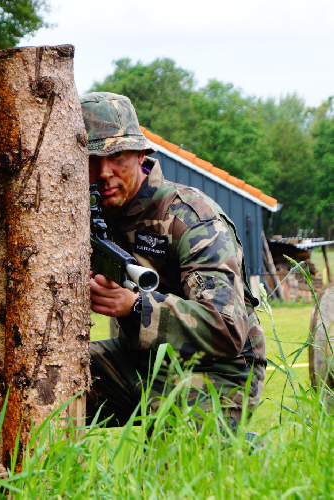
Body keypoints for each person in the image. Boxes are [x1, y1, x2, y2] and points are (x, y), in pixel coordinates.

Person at [80, 92, 266, 430]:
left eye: (117, 156)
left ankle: (252, 455)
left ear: (140, 155)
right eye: (91, 158)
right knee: (37, 383)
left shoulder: (193, 219)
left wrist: (135, 306)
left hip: (216, 367)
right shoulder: (87, 214)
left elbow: (226, 330)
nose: (104, 172)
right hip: (138, 361)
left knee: (175, 465)